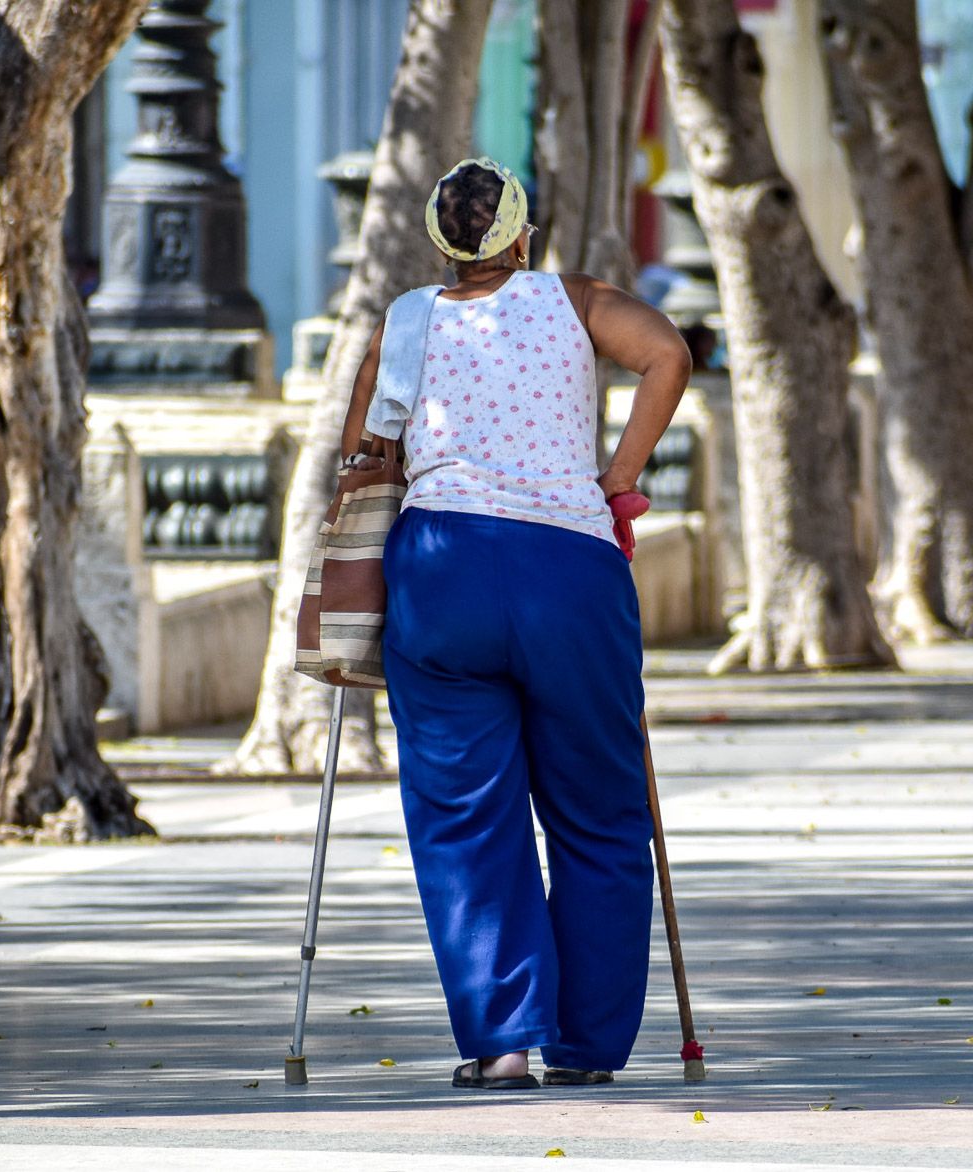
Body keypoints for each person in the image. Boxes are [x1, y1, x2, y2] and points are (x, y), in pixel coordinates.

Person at [338, 158, 692, 1090]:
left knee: (463, 815)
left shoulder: (406, 323)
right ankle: (588, 1047)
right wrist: (618, 474)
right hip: (567, 570)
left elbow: (362, 459)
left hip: (442, 575)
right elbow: (669, 354)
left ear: (442, 245)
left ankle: (500, 1040)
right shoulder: (576, 301)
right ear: (521, 235)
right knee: (600, 815)